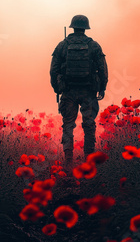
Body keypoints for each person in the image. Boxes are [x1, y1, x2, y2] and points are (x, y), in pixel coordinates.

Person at [50, 15, 108, 166]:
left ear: (73, 27)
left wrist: (57, 88)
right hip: (88, 91)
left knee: (68, 124)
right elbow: (103, 69)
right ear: (85, 28)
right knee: (89, 124)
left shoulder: (62, 45)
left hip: (68, 91)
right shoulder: (94, 45)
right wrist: (102, 88)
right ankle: (89, 160)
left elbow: (53, 70)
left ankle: (68, 161)